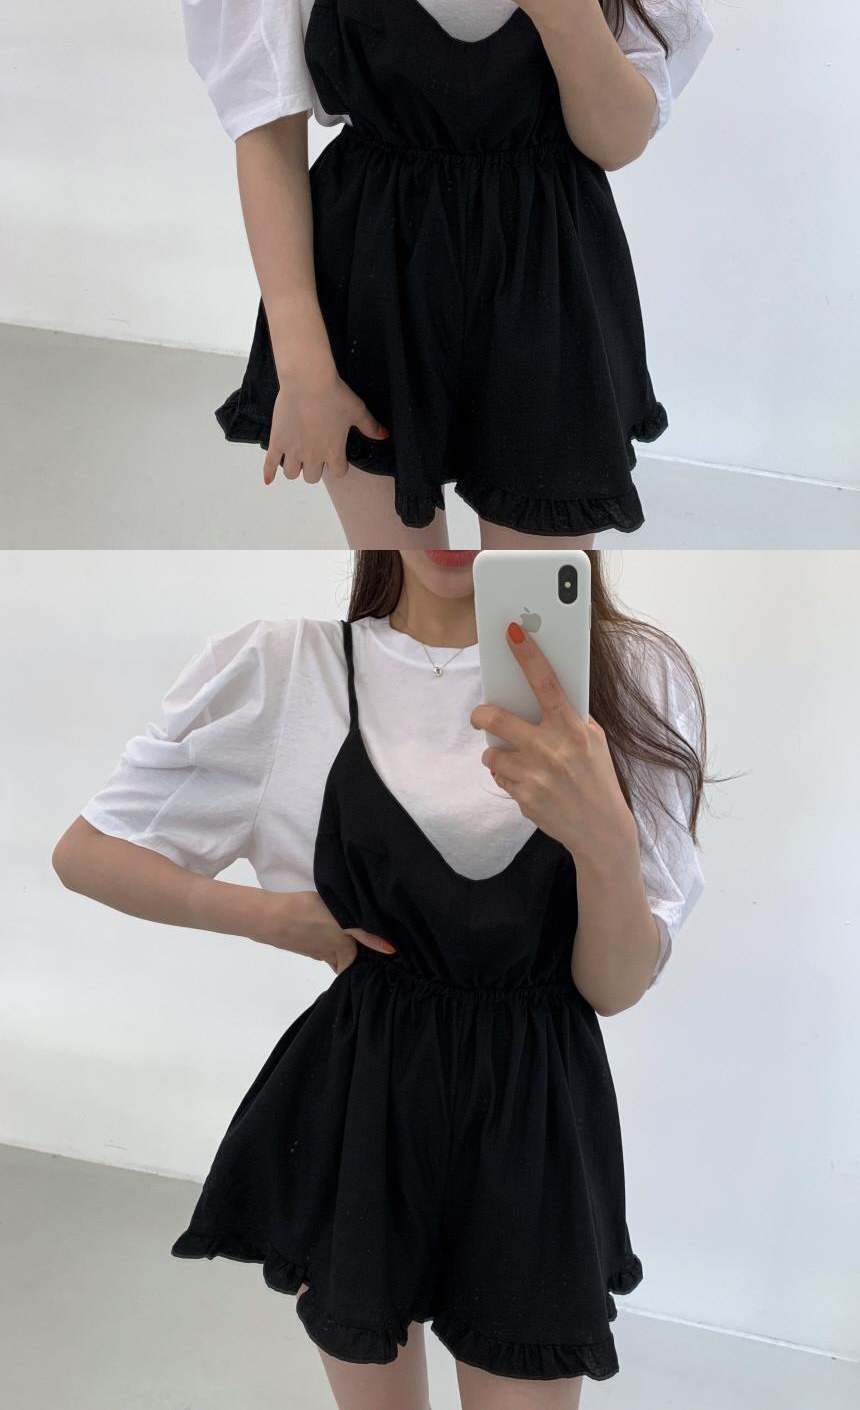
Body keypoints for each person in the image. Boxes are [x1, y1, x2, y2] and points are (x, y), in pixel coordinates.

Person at [52, 542, 708, 1409]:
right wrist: (275, 916)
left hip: (536, 1118)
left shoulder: (627, 677)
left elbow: (611, 987)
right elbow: (88, 854)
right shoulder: (291, 667)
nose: (450, 519)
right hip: (361, 1101)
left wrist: (606, 839)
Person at [179, 0, 719, 550]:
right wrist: (302, 360)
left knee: (534, 603)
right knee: (410, 591)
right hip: (366, 275)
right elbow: (265, 118)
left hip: (549, 279)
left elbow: (615, 138)